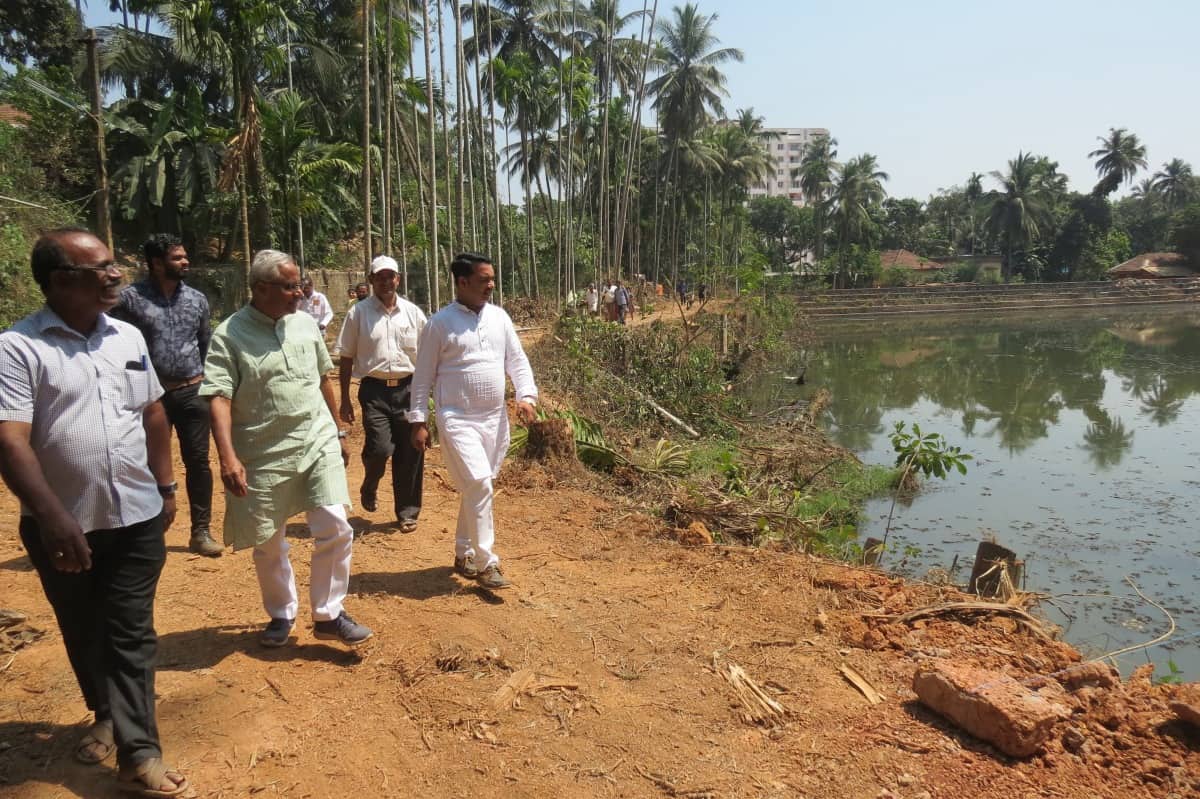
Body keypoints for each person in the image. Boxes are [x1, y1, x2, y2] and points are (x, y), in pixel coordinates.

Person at [0, 228, 189, 798]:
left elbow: (153, 412)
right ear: (61, 281)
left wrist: (167, 485)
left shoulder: (126, 336)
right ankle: (106, 714)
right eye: (101, 267)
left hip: (136, 514)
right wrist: (53, 517)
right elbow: (10, 442)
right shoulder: (19, 348)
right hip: (62, 525)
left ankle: (139, 752)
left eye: (114, 264)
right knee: (83, 629)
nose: (116, 275)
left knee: (131, 632)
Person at [201, 249, 372, 648]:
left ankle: (329, 614)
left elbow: (323, 379)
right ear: (261, 289)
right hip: (261, 451)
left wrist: (338, 432)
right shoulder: (230, 335)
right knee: (268, 539)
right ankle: (281, 613)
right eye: (290, 286)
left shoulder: (305, 325)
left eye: (299, 284)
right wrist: (227, 456)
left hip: (314, 441)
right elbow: (219, 398)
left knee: (335, 525)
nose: (299, 292)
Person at [409, 253, 538, 590]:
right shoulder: (439, 324)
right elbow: (422, 378)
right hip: (456, 418)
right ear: (463, 283)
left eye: (492, 279)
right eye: (484, 280)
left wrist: (527, 396)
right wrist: (418, 420)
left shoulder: (500, 318)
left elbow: (518, 361)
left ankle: (463, 552)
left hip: (494, 420)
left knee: (475, 486)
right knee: (480, 483)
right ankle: (486, 562)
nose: (491, 285)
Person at [110, 234, 221, 557]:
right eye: (177, 258)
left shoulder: (197, 299)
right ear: (156, 263)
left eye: (185, 256)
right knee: (145, 463)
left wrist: (210, 386)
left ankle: (201, 531)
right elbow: (114, 345)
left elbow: (205, 343)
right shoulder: (129, 300)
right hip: (149, 397)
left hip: (191, 390)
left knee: (198, 461)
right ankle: (147, 530)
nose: (185, 262)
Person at [337, 255, 427, 532]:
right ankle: (370, 484)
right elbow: (346, 356)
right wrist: (344, 399)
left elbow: (427, 356)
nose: (386, 281)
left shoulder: (413, 314)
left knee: (411, 451)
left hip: (409, 388)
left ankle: (407, 511)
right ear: (372, 280)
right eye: (380, 277)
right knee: (379, 448)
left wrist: (429, 396)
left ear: (398, 279)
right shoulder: (359, 313)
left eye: (391, 276)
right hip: (374, 391)